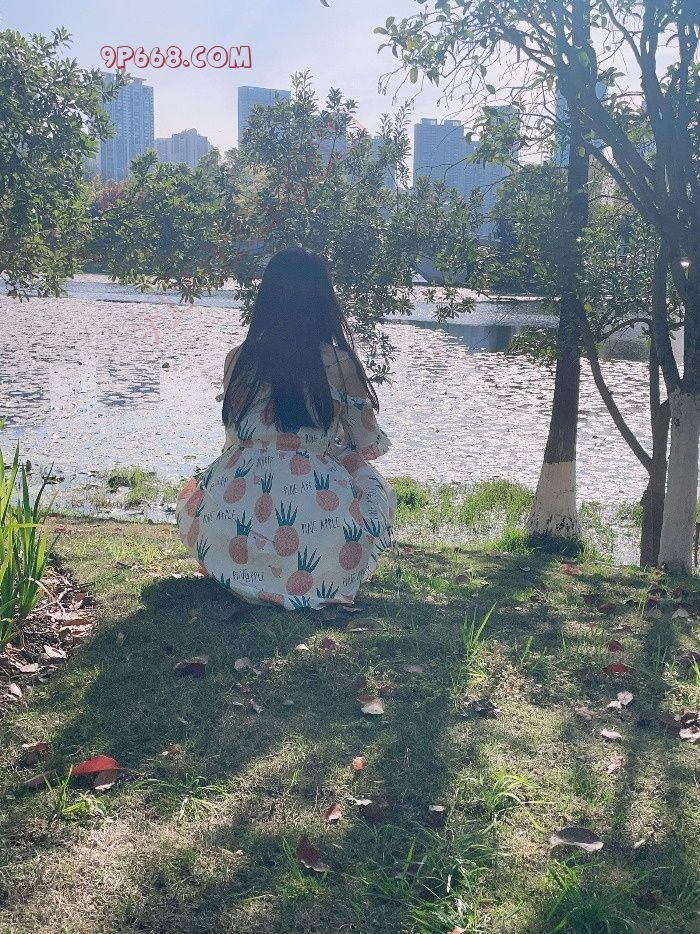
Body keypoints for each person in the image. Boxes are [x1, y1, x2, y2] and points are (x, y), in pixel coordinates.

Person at [175, 247, 397, 610]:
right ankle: (312, 576)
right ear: (323, 301)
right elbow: (367, 442)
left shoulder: (238, 357)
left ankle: (237, 569)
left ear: (267, 299)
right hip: (313, 535)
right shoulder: (340, 363)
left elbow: (234, 437)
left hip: (231, 524)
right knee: (370, 482)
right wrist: (320, 443)